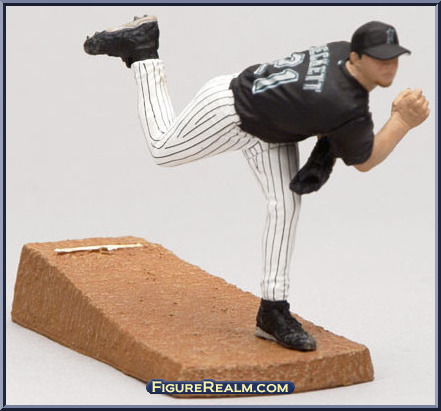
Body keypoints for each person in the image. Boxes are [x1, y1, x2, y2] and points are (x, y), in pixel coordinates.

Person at [83, 16, 429, 352]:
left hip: (271, 129)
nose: (389, 67)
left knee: (285, 206)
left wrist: (325, 150)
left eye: (394, 58)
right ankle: (142, 51)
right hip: (230, 109)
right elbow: (365, 160)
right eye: (380, 59)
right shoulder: (345, 104)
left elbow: (326, 118)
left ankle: (272, 311)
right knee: (163, 149)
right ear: (356, 57)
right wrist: (402, 120)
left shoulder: (339, 52)